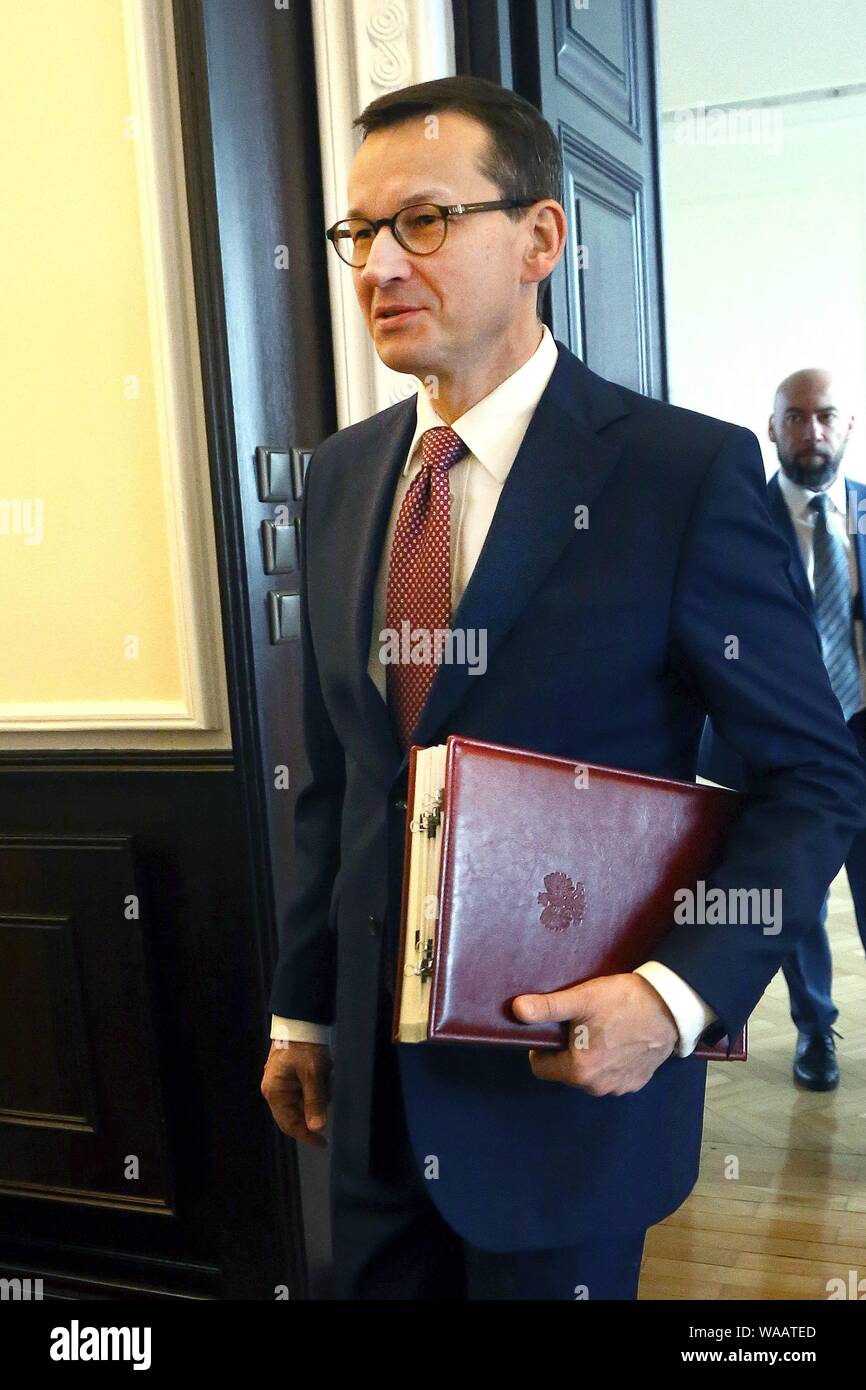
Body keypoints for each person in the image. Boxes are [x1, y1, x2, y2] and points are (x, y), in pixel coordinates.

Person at [260, 77, 866, 1300]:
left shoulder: (677, 473)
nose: (380, 263)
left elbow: (810, 778)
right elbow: (338, 779)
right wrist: (303, 1014)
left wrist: (674, 994)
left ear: (539, 238)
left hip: (569, 1094)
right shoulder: (338, 479)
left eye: (422, 222)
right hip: (370, 1106)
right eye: (359, 233)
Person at [700, 368, 866, 1092]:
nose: (813, 432)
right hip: (779, 750)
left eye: (827, 417)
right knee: (795, 900)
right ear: (771, 428)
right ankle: (814, 1030)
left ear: (849, 429)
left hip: (860, 731)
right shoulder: (733, 523)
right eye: (795, 418)